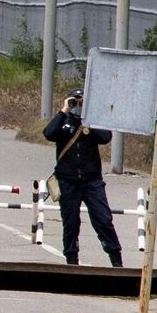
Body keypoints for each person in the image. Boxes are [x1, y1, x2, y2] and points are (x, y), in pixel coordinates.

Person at [43, 89, 123, 267]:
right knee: (71, 223)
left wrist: (91, 115)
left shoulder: (91, 124)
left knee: (103, 219)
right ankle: (72, 259)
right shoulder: (64, 122)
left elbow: (105, 137)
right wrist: (64, 110)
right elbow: (48, 133)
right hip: (67, 180)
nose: (78, 106)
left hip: (91, 181)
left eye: (81, 102)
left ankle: (116, 258)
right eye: (75, 102)